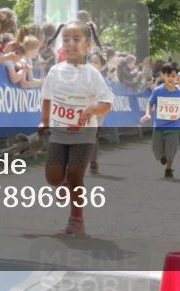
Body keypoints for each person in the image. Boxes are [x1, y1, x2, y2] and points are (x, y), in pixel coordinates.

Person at [38, 20, 114, 235]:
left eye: (76, 39)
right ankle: (61, 183)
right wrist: (44, 120)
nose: (70, 44)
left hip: (84, 134)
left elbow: (107, 103)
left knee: (75, 175)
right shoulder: (54, 71)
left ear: (88, 44)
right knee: (53, 176)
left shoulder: (92, 74)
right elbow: (47, 98)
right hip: (59, 132)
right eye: (66, 40)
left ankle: (76, 217)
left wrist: (92, 109)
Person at [140, 63, 180, 179]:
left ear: (176, 78)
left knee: (171, 149)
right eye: (168, 75)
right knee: (155, 148)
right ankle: (162, 157)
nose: (171, 78)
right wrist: (148, 113)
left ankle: (168, 169)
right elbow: (150, 103)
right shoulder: (158, 91)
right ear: (162, 75)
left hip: (174, 126)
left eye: (173, 76)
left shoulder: (179, 93)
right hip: (159, 126)